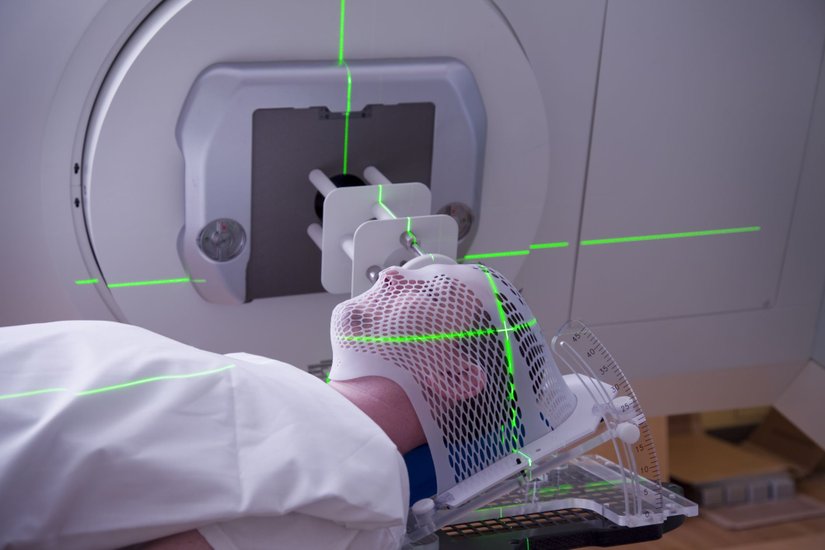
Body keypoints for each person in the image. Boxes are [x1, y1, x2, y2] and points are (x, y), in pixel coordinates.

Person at [0, 262, 576, 549]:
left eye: (429, 288)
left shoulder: (356, 493)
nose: (393, 271)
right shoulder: (259, 380)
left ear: (454, 375)